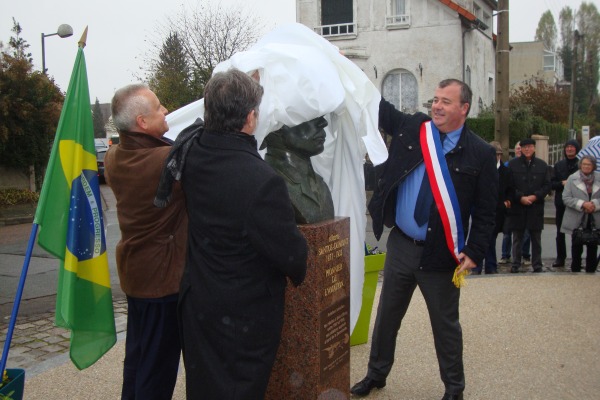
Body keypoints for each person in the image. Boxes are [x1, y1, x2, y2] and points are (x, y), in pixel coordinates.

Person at [351, 79, 497, 400]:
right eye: (435, 99)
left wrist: (473, 251)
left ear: (464, 108)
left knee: (445, 327)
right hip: (402, 245)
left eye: (446, 101)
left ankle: (454, 389)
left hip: (441, 254)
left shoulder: (481, 153)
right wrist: (350, 72)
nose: (437, 106)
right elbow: (379, 109)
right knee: (387, 317)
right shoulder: (416, 127)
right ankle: (376, 374)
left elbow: (487, 212)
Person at [177, 69, 308, 399]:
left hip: (200, 303)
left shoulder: (192, 153)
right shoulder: (262, 180)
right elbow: (292, 256)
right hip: (241, 317)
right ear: (250, 117)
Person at [104, 84, 187, 400]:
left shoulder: (114, 156)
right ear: (141, 122)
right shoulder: (162, 162)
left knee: (139, 361)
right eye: (158, 107)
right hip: (163, 282)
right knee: (156, 370)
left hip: (138, 275)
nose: (166, 110)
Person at [261, 116, 335, 224]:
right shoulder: (268, 184)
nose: (323, 123)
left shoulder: (320, 185)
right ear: (275, 128)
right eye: (309, 114)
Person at [505, 137, 551, 273]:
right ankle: (515, 263)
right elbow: (509, 185)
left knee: (536, 238)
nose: (527, 149)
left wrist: (535, 196)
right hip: (518, 206)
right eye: (524, 147)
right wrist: (520, 197)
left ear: (534, 148)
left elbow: (547, 185)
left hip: (535, 206)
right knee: (517, 237)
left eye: (530, 147)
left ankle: (537, 264)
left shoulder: (542, 165)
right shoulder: (512, 164)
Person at [473, 141, 510, 274]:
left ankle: (491, 265)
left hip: (497, 209)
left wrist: (506, 203)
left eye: (498, 154)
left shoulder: (505, 171)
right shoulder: (479, 169)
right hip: (480, 208)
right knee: (478, 238)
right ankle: (476, 266)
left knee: (491, 239)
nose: (495, 157)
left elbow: (511, 190)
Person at [560, 155, 600, 273]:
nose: (586, 166)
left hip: (594, 217)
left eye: (589, 164)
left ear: (593, 166)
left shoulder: (599, 178)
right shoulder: (572, 178)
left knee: (593, 246)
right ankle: (576, 270)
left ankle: (590, 270)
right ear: (580, 165)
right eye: (584, 164)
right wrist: (582, 204)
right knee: (576, 246)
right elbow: (566, 198)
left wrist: (593, 204)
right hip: (577, 217)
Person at [499, 141, 532, 265]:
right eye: (517, 148)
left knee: (526, 233)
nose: (519, 150)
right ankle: (505, 255)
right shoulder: (508, 165)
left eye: (521, 148)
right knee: (507, 232)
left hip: (526, 202)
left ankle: (525, 255)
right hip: (512, 203)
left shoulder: (530, 165)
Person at [551, 139, 581, 267]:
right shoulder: (559, 165)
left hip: (576, 203)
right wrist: (562, 183)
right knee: (560, 232)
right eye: (567, 147)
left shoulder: (580, 164)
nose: (569, 149)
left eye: (572, 147)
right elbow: (552, 184)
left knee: (577, 233)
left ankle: (576, 259)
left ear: (576, 149)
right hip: (561, 203)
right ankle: (560, 257)